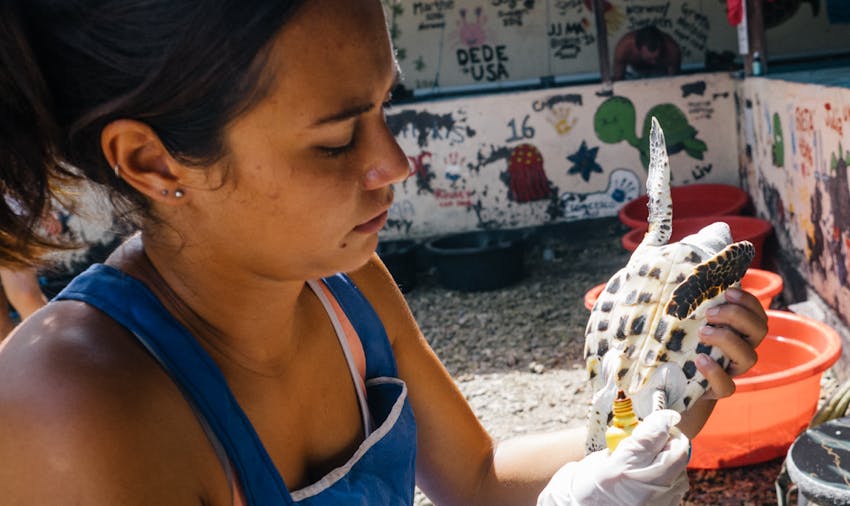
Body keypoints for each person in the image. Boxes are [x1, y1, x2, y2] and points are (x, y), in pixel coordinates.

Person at [0, 1, 767, 504]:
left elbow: (474, 479)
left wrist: (658, 406)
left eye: (384, 109)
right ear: (153, 162)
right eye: (336, 141)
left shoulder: (345, 285)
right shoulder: (72, 412)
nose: (395, 164)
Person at [612, 26, 682, 81]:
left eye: (656, 58)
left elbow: (674, 81)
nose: (653, 62)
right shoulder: (624, 47)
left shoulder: (672, 50)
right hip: (634, 70)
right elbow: (618, 79)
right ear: (637, 49)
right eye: (649, 59)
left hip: (659, 71)